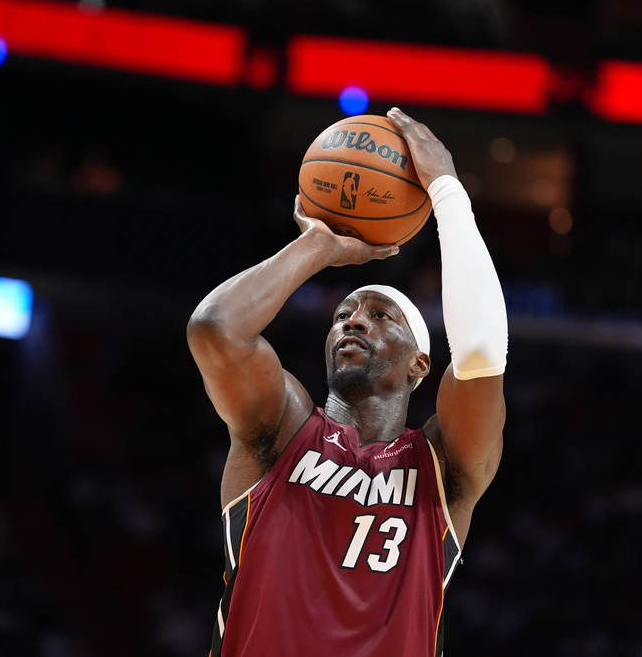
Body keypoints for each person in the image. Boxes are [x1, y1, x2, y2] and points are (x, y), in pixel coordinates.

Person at [187, 107, 508, 656]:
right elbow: (215, 330)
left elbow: (480, 352)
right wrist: (320, 245)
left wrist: (449, 192)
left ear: (419, 364)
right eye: (342, 315)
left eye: (381, 316)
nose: (353, 320)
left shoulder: (443, 465)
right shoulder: (281, 431)